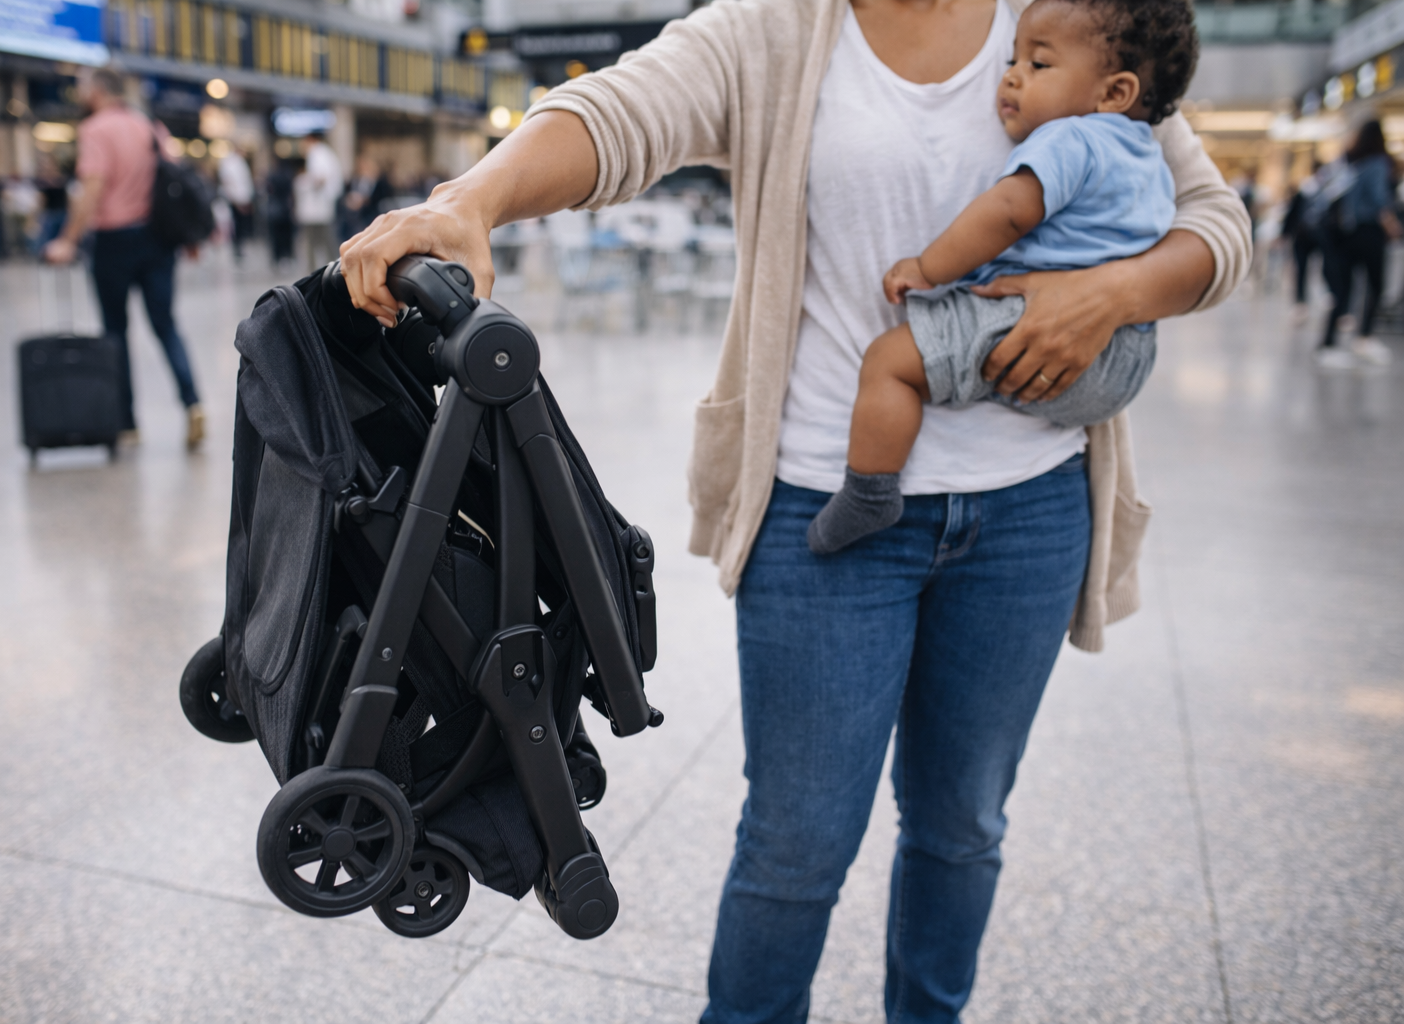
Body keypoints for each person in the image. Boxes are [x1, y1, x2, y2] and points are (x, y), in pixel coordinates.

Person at [338, 0, 1250, 1019]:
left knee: (963, 826)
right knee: (797, 840)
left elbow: (1216, 222)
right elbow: (622, 112)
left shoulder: (1072, 22)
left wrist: (1112, 293)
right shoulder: (776, 26)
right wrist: (474, 198)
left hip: (1029, 512)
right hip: (823, 507)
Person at [806, 0, 1181, 553]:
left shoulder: (1069, 137)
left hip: (1031, 326)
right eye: (1013, 59)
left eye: (1039, 65)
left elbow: (1008, 212)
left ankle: (870, 492)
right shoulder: (1147, 156)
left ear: (1114, 94)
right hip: (1124, 357)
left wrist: (927, 268)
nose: (1012, 75)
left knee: (888, 363)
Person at [44, 66, 205, 450]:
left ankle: (127, 423)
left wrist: (67, 240)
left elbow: (92, 188)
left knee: (115, 332)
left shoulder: (95, 129)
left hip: (114, 240)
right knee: (165, 325)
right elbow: (172, 180)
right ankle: (192, 402)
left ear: (98, 91)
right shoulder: (150, 126)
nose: (79, 91)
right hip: (157, 239)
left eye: (83, 85)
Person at [1317, 120, 1398, 369]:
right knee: (1376, 286)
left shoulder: (1352, 164)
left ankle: (1328, 344)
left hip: (1346, 234)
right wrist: (1392, 225)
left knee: (1344, 289)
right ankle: (1364, 338)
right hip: (1369, 233)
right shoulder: (1377, 164)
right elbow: (1379, 200)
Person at [293, 131, 344, 270]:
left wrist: (305, 183)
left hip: (317, 208)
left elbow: (320, 178)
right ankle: (332, 269)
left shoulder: (317, 153)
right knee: (324, 241)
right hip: (322, 207)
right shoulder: (325, 153)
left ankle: (324, 271)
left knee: (318, 242)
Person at [1281, 173, 1322, 323]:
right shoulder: (1305, 191)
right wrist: (1285, 233)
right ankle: (1300, 302)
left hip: (1317, 237)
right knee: (1301, 270)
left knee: (1320, 269)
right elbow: (1292, 213)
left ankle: (1307, 301)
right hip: (1302, 237)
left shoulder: (1321, 191)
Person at [218, 144, 256, 263]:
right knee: (236, 226)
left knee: (242, 226)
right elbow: (229, 182)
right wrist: (235, 200)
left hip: (243, 199)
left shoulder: (241, 162)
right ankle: (236, 250)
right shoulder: (228, 162)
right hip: (235, 200)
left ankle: (240, 249)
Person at [265, 156, 297, 266]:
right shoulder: (288, 175)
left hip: (275, 209)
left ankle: (277, 257)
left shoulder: (272, 176)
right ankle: (287, 256)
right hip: (285, 209)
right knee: (286, 235)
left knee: (276, 236)